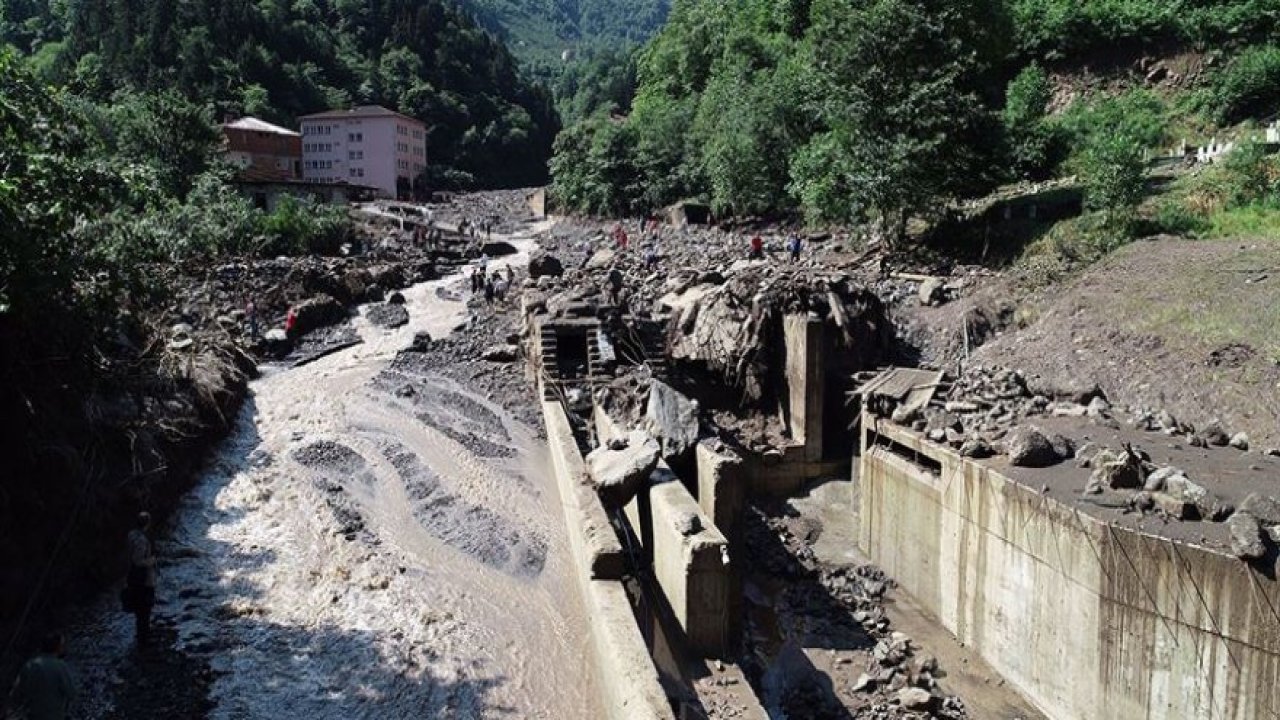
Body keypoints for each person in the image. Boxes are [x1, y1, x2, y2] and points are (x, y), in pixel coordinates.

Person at [7, 633, 77, 720]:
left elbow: (16, 695)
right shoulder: (60, 666)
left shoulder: (29, 665)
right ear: (58, 647)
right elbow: (71, 693)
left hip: (33, 716)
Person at [126, 512, 157, 646]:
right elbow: (138, 561)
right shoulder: (141, 540)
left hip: (133, 577)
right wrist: (152, 560)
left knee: (139, 608)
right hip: (143, 579)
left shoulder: (131, 535)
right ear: (147, 524)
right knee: (145, 608)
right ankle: (143, 639)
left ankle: (141, 634)